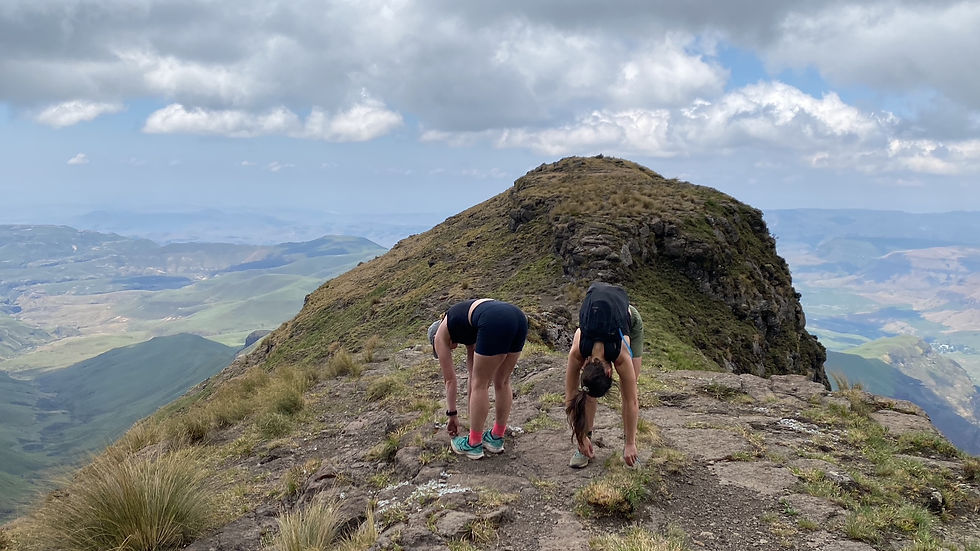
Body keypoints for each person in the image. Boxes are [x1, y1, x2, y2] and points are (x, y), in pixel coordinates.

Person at [427, 299, 528, 460]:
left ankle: (473, 444)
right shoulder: (464, 324)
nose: (452, 349)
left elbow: (450, 381)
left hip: (494, 319)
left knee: (480, 384)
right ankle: (496, 438)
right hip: (517, 316)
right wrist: (470, 412)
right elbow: (471, 371)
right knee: (502, 381)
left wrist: (452, 415)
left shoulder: (439, 335)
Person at [564, 282, 643, 468]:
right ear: (585, 365)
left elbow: (631, 400)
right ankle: (585, 443)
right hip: (599, 317)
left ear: (610, 371)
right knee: (588, 391)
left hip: (628, 319)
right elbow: (571, 397)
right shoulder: (578, 351)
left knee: (630, 388)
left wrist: (630, 444)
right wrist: (580, 436)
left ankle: (630, 445)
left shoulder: (621, 356)